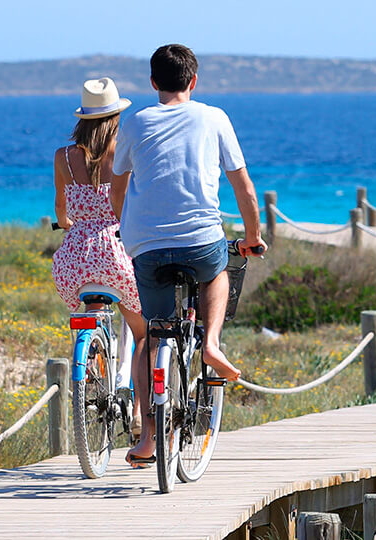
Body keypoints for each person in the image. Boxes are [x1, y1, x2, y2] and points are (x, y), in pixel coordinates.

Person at [111, 44, 267, 466]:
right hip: (200, 241)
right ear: (193, 82)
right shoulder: (214, 118)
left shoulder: (136, 121)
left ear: (153, 83)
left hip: (147, 246)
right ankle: (212, 344)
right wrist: (252, 235)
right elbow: (244, 187)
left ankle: (147, 439)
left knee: (153, 336)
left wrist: (127, 228)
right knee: (218, 270)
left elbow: (117, 187)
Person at [51, 77, 146, 435]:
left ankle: (93, 361)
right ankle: (138, 413)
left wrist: (70, 223)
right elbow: (132, 200)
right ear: (114, 117)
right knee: (141, 332)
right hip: (117, 250)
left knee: (89, 309)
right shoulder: (124, 152)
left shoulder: (63, 157)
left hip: (74, 257)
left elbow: (61, 211)